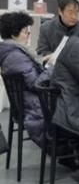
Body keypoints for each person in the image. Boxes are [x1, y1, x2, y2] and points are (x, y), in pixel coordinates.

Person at [0, 11, 52, 145]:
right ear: (13, 34)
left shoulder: (11, 51)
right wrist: (51, 68)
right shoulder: (15, 56)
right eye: (25, 32)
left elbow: (27, 70)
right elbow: (35, 84)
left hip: (26, 102)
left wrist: (41, 61)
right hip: (34, 106)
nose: (28, 35)